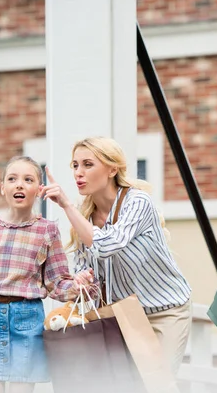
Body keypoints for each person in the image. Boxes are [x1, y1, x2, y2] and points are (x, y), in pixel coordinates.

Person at [41, 136, 192, 376]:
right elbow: (82, 263)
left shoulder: (137, 201)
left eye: (88, 164)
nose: (78, 172)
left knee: (159, 385)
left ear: (112, 169)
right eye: (75, 165)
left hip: (165, 311)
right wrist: (82, 277)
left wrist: (66, 205)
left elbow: (108, 244)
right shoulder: (85, 217)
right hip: (125, 317)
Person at [0, 156, 93, 393]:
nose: (19, 185)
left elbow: (57, 282)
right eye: (12, 179)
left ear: (39, 190)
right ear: (2, 187)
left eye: (28, 180)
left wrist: (78, 286)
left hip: (26, 321)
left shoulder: (47, 231)